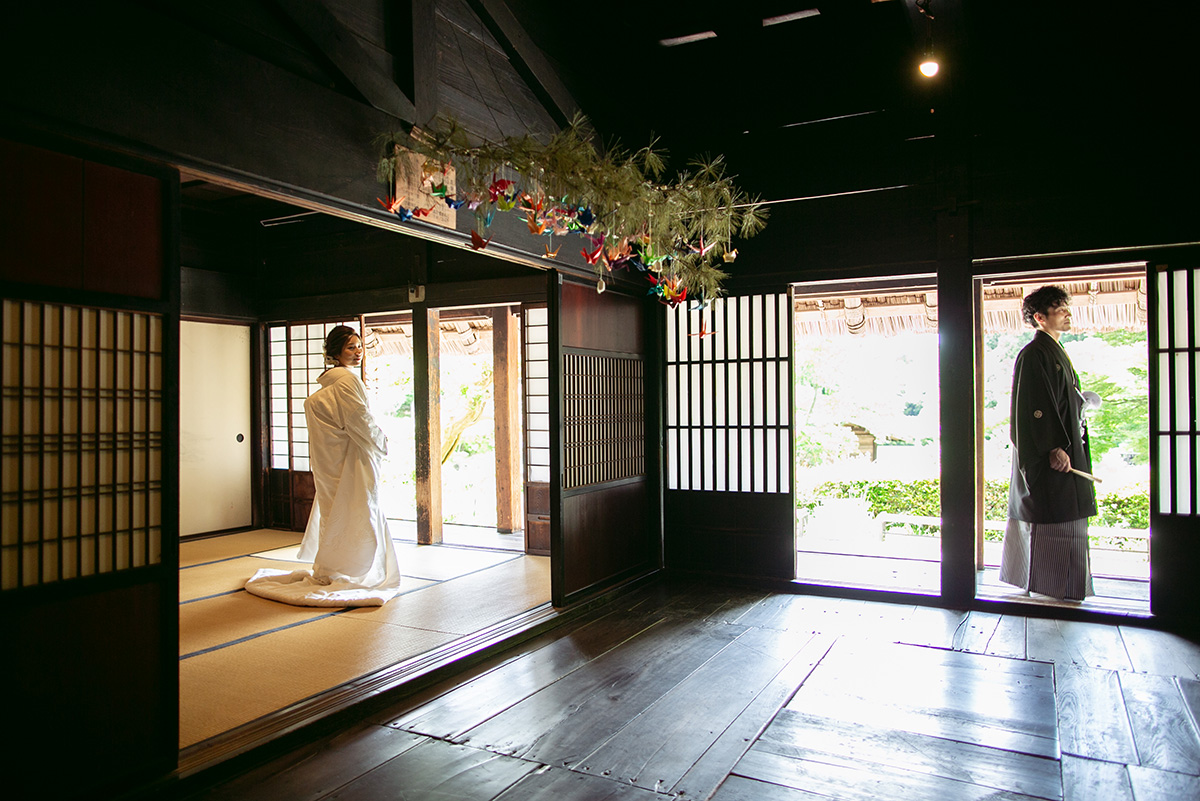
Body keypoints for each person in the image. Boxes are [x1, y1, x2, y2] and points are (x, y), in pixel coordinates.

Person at [245, 325, 402, 606]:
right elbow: (360, 420)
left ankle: (336, 565)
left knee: (338, 509)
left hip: (331, 458)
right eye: (350, 348)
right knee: (358, 508)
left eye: (359, 346)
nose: (357, 352)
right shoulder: (346, 382)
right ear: (335, 353)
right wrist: (382, 442)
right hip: (352, 459)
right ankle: (354, 569)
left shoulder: (333, 382)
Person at [999, 285, 1097, 601]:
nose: (1068, 313)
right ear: (1040, 318)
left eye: (1067, 307)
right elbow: (1034, 408)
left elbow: (1060, 402)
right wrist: (1053, 446)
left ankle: (1062, 586)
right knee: (1050, 512)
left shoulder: (1055, 352)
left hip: (1065, 448)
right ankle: (1048, 587)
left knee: (1064, 514)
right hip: (1050, 454)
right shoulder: (1034, 354)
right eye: (1060, 309)